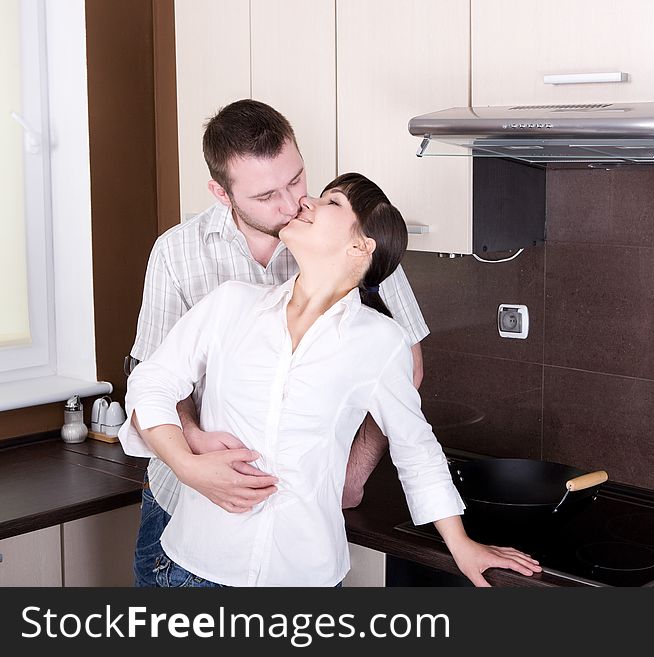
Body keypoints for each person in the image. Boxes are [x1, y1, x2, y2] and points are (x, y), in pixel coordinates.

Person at [118, 172, 542, 587]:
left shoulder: (380, 342)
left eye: (331, 202)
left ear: (360, 247)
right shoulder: (230, 304)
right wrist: (187, 465)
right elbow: (150, 383)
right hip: (195, 569)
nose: (306, 202)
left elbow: (417, 450)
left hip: (304, 576)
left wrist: (461, 544)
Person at [126, 99, 429, 586]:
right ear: (222, 194)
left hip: (294, 526)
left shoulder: (346, 237)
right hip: (183, 506)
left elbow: (405, 368)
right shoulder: (177, 253)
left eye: (296, 180)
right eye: (267, 195)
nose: (291, 205)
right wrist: (190, 450)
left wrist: (353, 474)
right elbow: (152, 376)